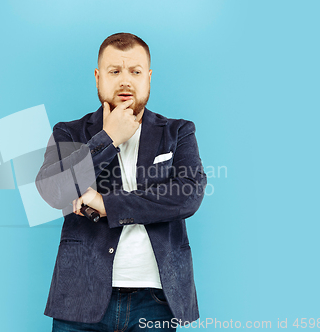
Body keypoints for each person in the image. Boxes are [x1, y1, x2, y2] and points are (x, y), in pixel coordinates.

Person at [36, 32, 206, 331]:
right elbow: (52, 190)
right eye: (114, 71)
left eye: (135, 71)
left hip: (155, 302)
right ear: (98, 77)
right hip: (79, 297)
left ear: (148, 77)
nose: (125, 80)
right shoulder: (70, 132)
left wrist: (105, 204)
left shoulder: (178, 132)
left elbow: (188, 194)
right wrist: (109, 139)